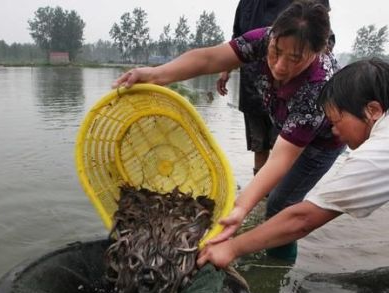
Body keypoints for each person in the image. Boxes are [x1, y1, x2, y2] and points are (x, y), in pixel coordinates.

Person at [113, 0, 345, 261]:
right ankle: (263, 241)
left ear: (317, 52)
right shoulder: (265, 38)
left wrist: (240, 207)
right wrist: (154, 75)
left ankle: (279, 268)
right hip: (285, 119)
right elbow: (209, 58)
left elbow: (282, 156)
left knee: (280, 205)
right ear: (273, 37)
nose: (279, 66)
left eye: (294, 59)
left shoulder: (318, 86)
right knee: (270, 192)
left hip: (323, 142)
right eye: (276, 52)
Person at [197, 58, 389, 268]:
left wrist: (231, 248)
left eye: (335, 122)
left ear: (373, 110)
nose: (334, 131)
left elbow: (302, 219)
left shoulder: (377, 154)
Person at [217, 0, 292, 177]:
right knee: (259, 144)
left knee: (283, 144)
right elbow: (237, 38)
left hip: (284, 86)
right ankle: (260, 194)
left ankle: (278, 195)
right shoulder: (246, 3)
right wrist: (226, 68)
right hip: (251, 83)